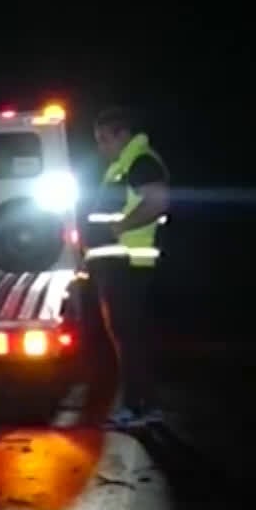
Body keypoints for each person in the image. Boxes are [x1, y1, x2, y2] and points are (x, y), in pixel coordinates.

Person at [82, 105, 171, 428]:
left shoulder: (140, 161)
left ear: (123, 134)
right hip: (118, 263)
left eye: (104, 138)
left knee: (129, 336)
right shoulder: (124, 164)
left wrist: (118, 228)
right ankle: (142, 404)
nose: (101, 146)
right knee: (127, 336)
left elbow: (158, 201)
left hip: (129, 262)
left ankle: (138, 407)